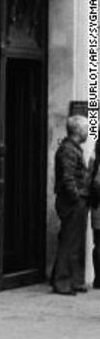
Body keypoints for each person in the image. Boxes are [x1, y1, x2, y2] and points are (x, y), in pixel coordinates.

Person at [51, 116, 91, 294]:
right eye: (86, 128)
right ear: (78, 131)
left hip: (75, 201)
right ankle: (62, 282)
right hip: (72, 202)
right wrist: (77, 198)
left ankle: (71, 280)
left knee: (72, 241)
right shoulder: (68, 150)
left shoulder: (73, 149)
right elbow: (68, 179)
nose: (88, 132)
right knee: (69, 242)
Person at [90, 152, 100, 289]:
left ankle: (98, 279)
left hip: (96, 208)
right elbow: (97, 183)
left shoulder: (94, 160)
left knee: (97, 244)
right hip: (99, 207)